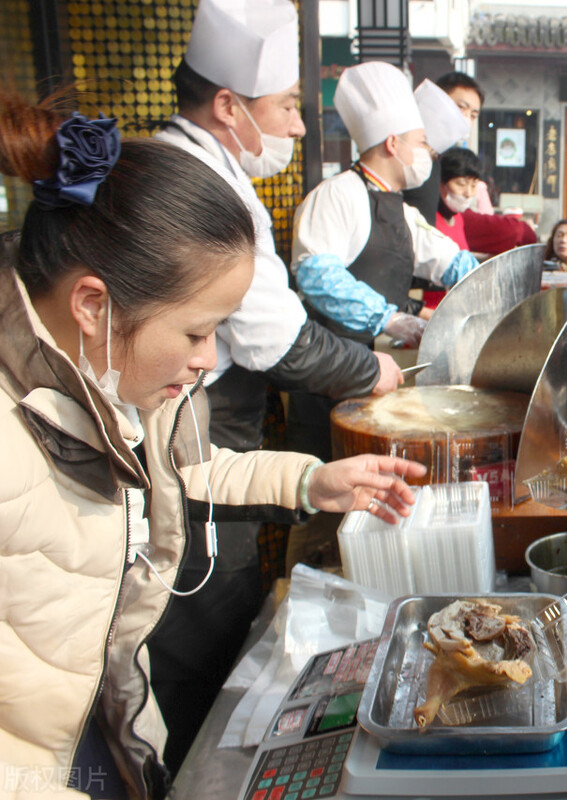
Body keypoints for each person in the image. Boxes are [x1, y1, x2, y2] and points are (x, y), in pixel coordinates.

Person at [0, 95, 425, 800]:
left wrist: (312, 484)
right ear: (93, 305)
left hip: (105, 725)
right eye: (198, 333)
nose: (207, 359)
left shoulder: (115, 379)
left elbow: (184, 473)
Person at [151, 0, 400, 767]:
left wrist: (311, 481)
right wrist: (371, 365)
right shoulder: (200, 189)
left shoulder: (208, 168)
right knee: (199, 616)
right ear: (228, 105)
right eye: (289, 105)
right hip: (193, 432)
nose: (299, 127)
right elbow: (270, 337)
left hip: (210, 445)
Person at [287, 61, 481, 461]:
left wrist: (493, 285)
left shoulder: (402, 210)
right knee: (329, 489)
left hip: (375, 370)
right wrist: (391, 319)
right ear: (394, 144)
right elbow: (317, 276)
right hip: (331, 372)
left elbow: (447, 260)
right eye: (422, 142)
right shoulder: (337, 195)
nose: (426, 155)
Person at [403, 70, 488, 223]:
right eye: (461, 107)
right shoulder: (403, 154)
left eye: (473, 115)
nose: (466, 118)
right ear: (437, 100)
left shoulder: (434, 160)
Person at [435, 146, 484, 251]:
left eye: (474, 185)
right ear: (441, 182)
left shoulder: (458, 218)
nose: (468, 193)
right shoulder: (430, 222)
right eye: (461, 184)